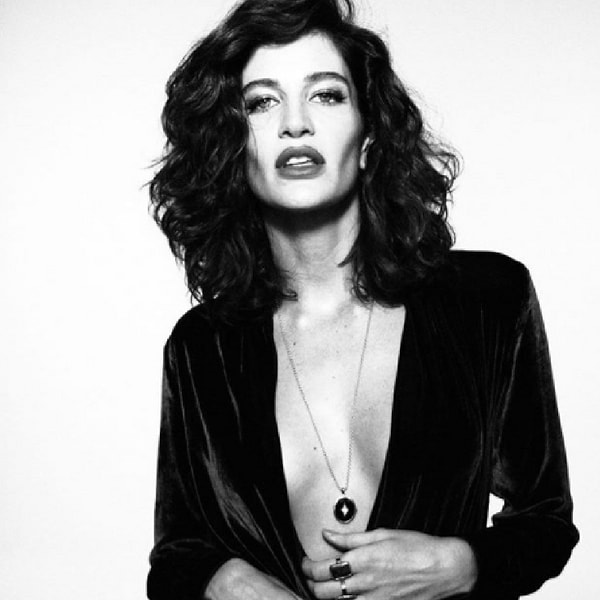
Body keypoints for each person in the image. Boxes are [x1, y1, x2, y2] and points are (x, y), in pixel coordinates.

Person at [146, 0, 578, 598]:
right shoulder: (202, 348)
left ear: (370, 136)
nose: (295, 124)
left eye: (326, 95)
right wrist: (222, 580)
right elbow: (175, 555)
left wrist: (461, 564)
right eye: (262, 102)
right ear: (232, 147)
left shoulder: (488, 301)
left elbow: (547, 520)